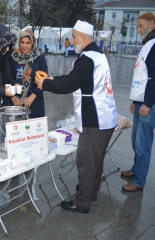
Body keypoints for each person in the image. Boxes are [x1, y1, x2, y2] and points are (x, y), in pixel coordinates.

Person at [35, 20, 118, 214]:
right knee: (96, 160)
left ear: (82, 36)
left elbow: (69, 84)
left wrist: (45, 84)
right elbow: (75, 79)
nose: (71, 40)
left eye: (73, 36)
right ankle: (92, 192)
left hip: (94, 120)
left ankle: (82, 202)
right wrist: (51, 79)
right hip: (105, 118)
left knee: (86, 162)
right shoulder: (98, 55)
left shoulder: (87, 58)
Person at [121, 12, 155, 192]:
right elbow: (142, 76)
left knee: (143, 144)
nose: (139, 29)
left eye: (141, 26)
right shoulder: (148, 44)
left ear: (152, 24)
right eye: (138, 26)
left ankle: (139, 181)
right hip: (140, 102)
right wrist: (135, 100)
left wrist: (148, 103)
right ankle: (136, 170)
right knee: (136, 141)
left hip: (148, 105)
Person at [8, 28, 47, 118]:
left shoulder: (39, 56)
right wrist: (13, 97)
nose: (24, 46)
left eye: (28, 43)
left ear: (32, 43)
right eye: (22, 42)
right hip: (16, 103)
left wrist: (32, 97)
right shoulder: (13, 56)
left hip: (35, 103)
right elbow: (8, 77)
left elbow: (44, 78)